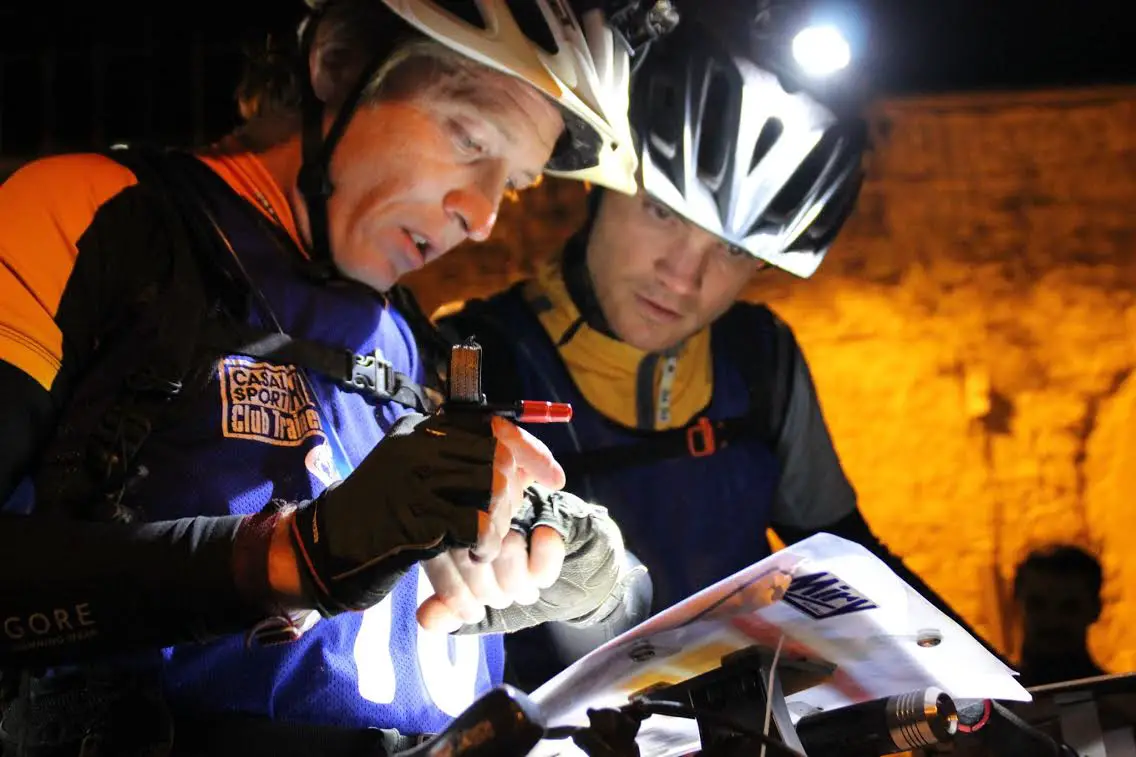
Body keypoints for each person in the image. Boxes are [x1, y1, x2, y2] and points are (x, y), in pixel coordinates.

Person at [0, 1, 679, 754]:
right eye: (468, 137)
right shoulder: (98, 217)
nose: (483, 216)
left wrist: (587, 587)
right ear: (337, 64)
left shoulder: (414, 340)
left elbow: (569, 629)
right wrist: (300, 554)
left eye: (512, 182)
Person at [437, 4, 1005, 688]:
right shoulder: (468, 360)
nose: (685, 275)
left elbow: (847, 557)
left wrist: (995, 688)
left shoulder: (760, 359)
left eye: (734, 250)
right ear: (603, 186)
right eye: (663, 213)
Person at [1013, 545, 1107, 687]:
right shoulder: (991, 701)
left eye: (1069, 608)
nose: (1052, 621)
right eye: (1037, 605)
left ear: (1095, 609)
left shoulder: (1121, 703)